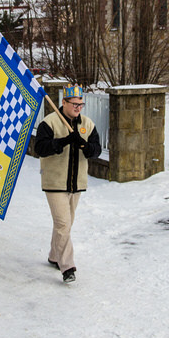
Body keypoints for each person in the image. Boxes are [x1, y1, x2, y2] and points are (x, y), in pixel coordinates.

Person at [34, 84, 102, 283]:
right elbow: (40, 148)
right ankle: (68, 267)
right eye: (74, 104)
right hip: (55, 182)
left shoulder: (87, 124)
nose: (78, 108)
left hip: (76, 182)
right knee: (63, 224)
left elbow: (96, 150)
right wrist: (64, 141)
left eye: (81, 104)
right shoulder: (50, 122)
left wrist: (83, 144)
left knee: (65, 224)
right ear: (63, 103)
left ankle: (54, 256)